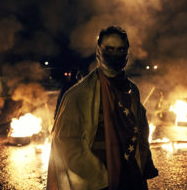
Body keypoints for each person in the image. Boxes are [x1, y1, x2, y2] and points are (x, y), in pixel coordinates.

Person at [47, 26, 158, 190]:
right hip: (97, 183)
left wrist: (144, 165)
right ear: (99, 51)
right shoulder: (79, 94)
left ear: (127, 52)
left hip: (130, 177)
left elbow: (140, 130)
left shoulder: (131, 90)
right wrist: (99, 177)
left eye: (121, 49)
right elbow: (67, 142)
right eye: (110, 49)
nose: (116, 54)